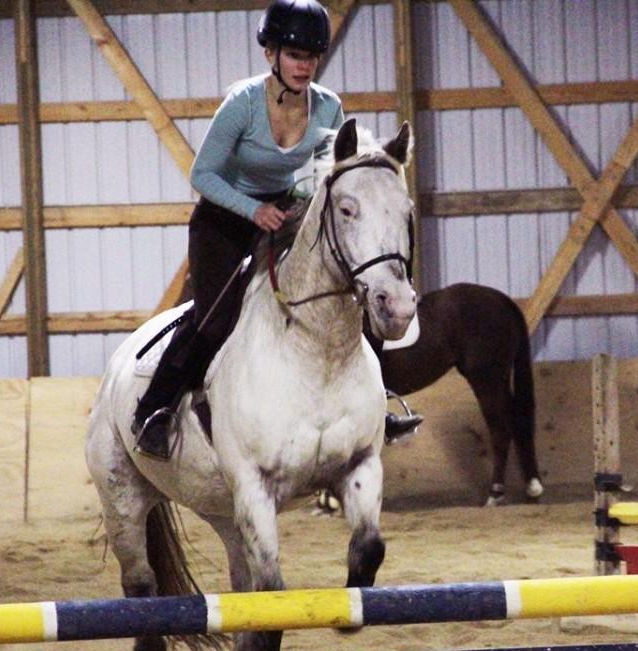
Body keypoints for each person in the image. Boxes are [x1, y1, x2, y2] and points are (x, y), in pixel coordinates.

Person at [133, 0, 422, 458]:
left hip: (288, 214)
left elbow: (317, 177)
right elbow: (202, 175)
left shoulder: (329, 108)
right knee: (216, 314)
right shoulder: (242, 105)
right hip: (224, 218)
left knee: (354, 292)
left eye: (311, 56)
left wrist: (299, 208)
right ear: (271, 55)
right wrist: (252, 210)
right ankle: (155, 410)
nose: (305, 65)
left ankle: (373, 407)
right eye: (294, 55)